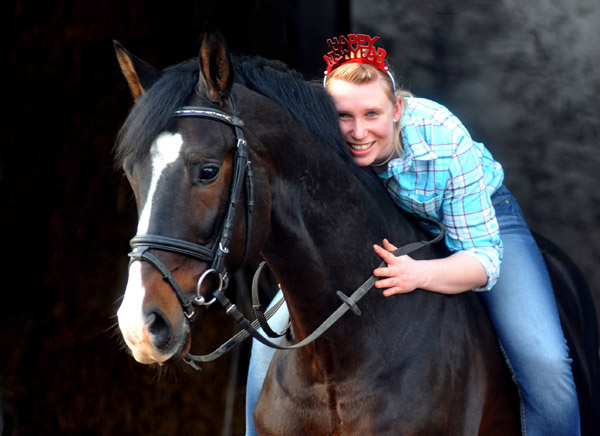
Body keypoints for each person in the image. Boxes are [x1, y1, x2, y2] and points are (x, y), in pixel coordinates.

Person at [245, 34, 580, 436]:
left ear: (397, 108)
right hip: (383, 230)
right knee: (268, 336)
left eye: (372, 114)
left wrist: (419, 274)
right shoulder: (321, 137)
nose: (356, 132)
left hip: (477, 221)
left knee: (545, 360)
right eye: (343, 116)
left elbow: (484, 261)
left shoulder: (441, 136)